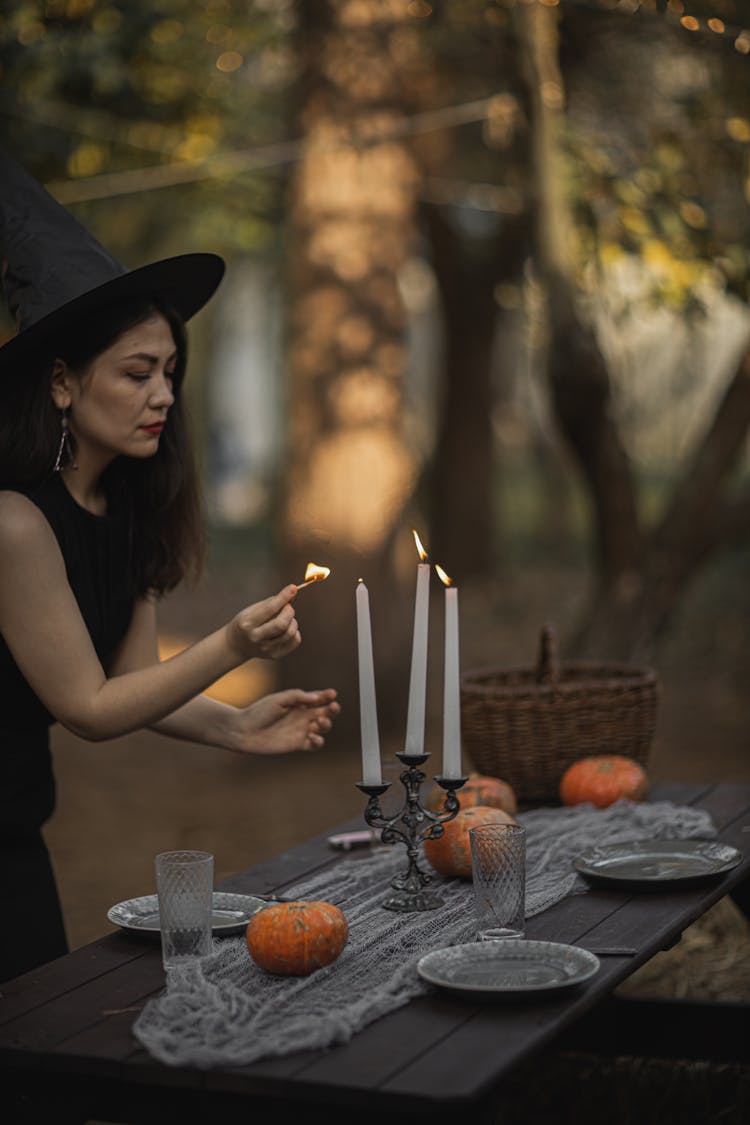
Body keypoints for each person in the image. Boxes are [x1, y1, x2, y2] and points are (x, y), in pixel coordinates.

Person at [0, 150, 340, 982]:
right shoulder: (13, 522)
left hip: (13, 834)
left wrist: (235, 723)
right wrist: (231, 645)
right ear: (61, 384)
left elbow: (129, 676)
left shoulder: (125, 511)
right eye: (137, 372)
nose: (162, 395)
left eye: (171, 374)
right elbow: (88, 707)